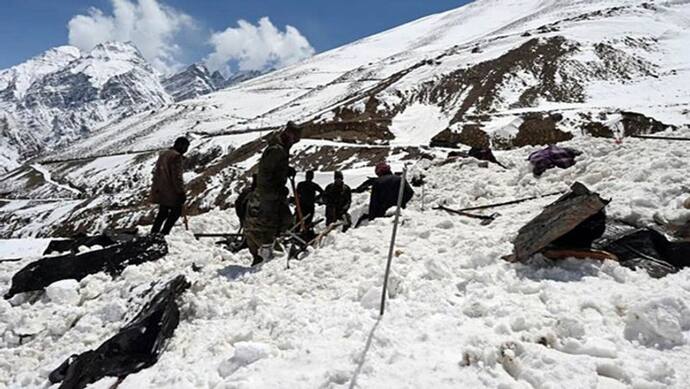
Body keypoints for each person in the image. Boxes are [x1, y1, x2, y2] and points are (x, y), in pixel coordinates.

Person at [244, 121, 301, 266]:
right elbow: (265, 173)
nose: (294, 142)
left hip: (274, 192)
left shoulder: (282, 148)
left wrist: (286, 170)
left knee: (285, 219)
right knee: (268, 223)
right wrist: (274, 190)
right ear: (289, 135)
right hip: (268, 194)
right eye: (295, 139)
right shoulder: (277, 149)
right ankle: (263, 253)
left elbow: (276, 168)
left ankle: (269, 247)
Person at [150, 137, 189, 235]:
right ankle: (164, 233)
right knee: (176, 211)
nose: (186, 150)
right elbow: (177, 177)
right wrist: (180, 192)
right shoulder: (176, 157)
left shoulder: (163, 154)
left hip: (161, 190)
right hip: (171, 191)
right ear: (181, 145)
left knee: (162, 213)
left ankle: (154, 233)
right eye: (186, 147)